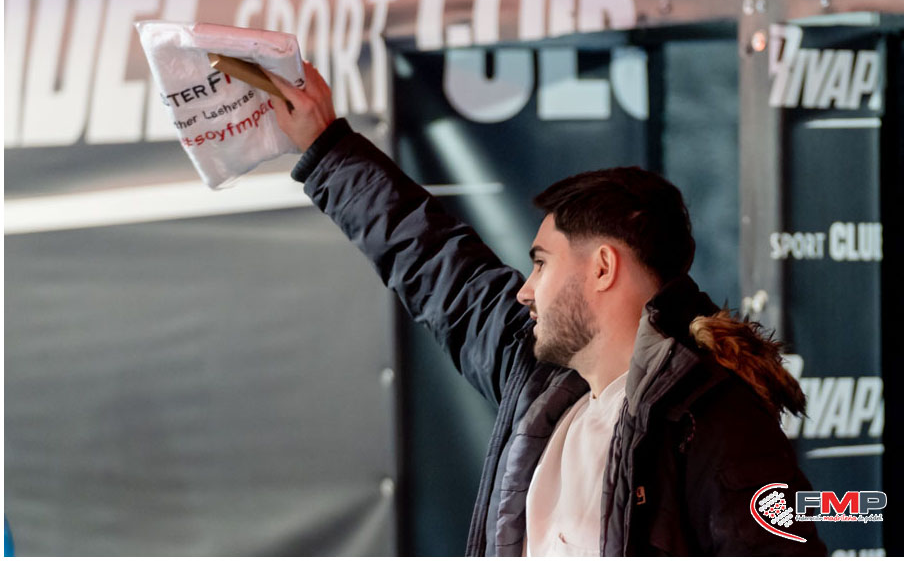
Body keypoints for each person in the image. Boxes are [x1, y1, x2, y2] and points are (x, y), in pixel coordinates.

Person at [263, 63, 827, 556]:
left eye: (541, 264)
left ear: (602, 268)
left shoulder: (713, 423)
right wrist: (327, 147)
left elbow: (798, 538)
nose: (524, 290)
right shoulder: (535, 379)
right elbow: (433, 262)